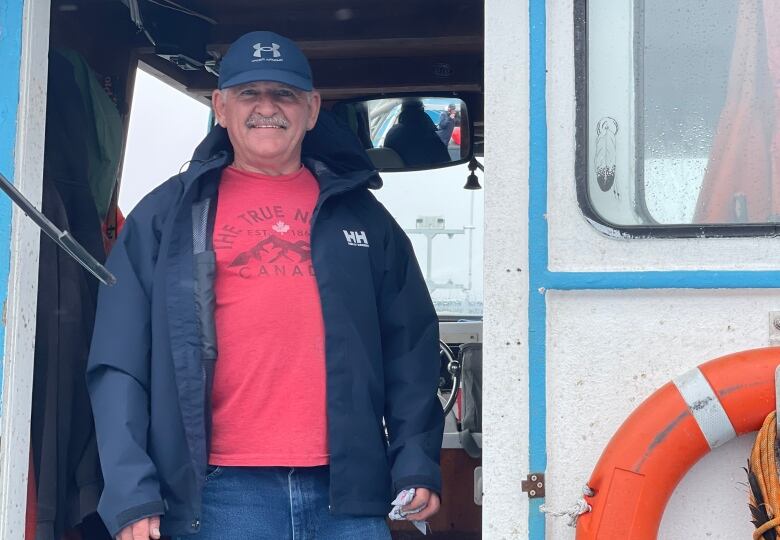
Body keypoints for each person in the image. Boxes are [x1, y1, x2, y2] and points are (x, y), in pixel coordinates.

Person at [86, 30, 444, 540]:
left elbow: (410, 347)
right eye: (249, 93)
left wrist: (414, 459)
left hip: (348, 495)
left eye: (285, 94)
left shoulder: (363, 216)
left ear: (313, 108)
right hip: (214, 495)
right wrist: (130, 488)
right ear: (221, 106)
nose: (267, 108)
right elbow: (118, 362)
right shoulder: (164, 217)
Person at [383, 98, 451, 167]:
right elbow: (445, 162)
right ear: (422, 110)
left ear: (402, 110)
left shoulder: (392, 133)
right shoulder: (431, 136)